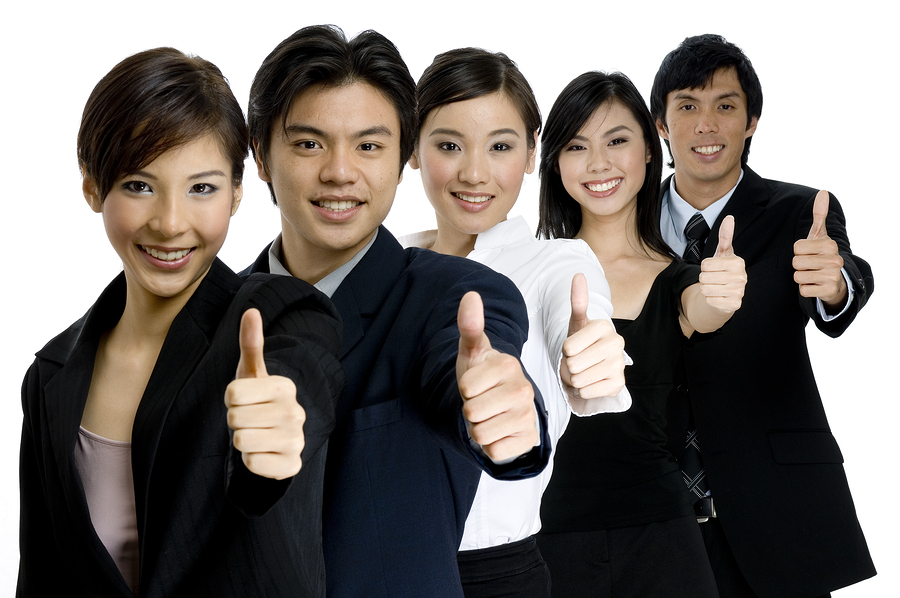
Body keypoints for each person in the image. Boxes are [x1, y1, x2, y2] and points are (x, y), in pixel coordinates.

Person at [17, 48, 344, 597]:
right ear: (93, 187)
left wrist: (281, 429)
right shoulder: (51, 374)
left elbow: (298, 384)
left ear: (237, 194)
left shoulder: (282, 313)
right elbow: (43, 574)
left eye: (202, 188)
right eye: (139, 185)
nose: (170, 224)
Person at [242, 26, 551, 597]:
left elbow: (474, 368)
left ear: (402, 156)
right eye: (309, 144)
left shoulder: (456, 297)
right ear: (260, 155)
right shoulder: (212, 318)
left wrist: (503, 410)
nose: (340, 171)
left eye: (368, 145)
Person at [650, 34, 876, 598]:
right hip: (654, 511)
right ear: (661, 124)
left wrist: (835, 284)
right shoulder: (627, 221)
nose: (706, 125)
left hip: (776, 505)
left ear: (751, 121)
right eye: (688, 106)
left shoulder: (800, 212)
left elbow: (840, 284)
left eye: (725, 106)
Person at [404, 48, 631, 597]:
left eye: (500, 146)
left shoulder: (555, 263)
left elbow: (579, 313)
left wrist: (591, 355)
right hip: (380, 566)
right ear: (413, 148)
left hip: (496, 574)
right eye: (449, 145)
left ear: (532, 153)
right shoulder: (388, 264)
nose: (474, 172)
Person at [535, 70, 747, 598]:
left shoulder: (677, 277)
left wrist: (719, 294)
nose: (599, 163)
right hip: (544, 533)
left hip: (660, 534)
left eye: (617, 141)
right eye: (576, 145)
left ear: (651, 152)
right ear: (555, 162)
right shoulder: (528, 270)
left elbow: (703, 309)